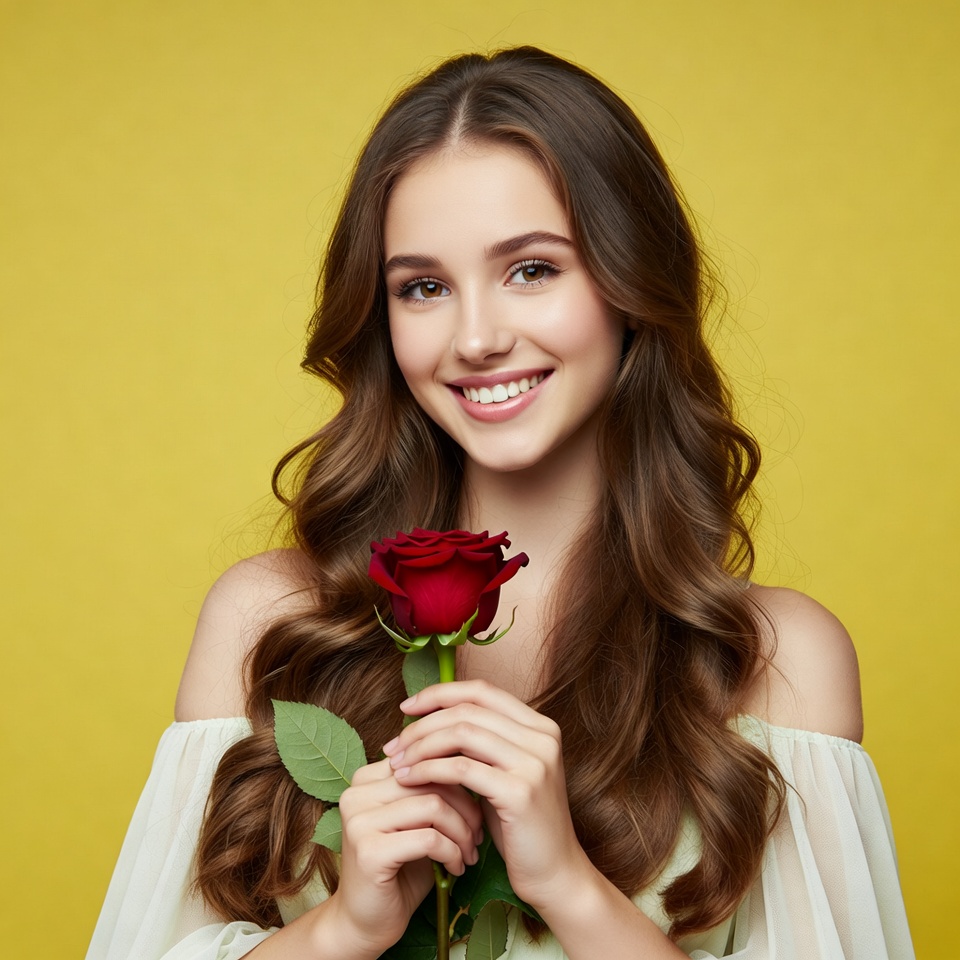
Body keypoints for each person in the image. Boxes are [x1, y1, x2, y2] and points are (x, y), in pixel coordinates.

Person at [86, 47, 914, 960]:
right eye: (424, 288)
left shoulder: (780, 663)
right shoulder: (271, 624)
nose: (476, 337)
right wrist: (345, 928)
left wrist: (569, 886)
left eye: (532, 270)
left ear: (632, 283)